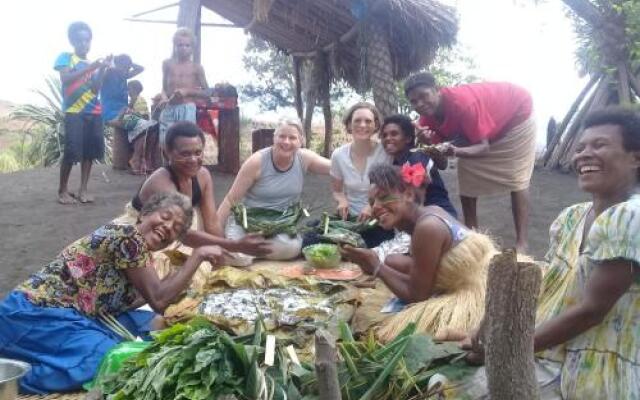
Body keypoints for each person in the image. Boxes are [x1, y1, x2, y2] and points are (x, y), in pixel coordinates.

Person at [450, 106, 640, 399]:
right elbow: (547, 287)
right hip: (550, 352)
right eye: (580, 148)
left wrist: (504, 350)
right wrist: (489, 328)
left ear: (635, 158)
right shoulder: (572, 217)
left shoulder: (631, 217)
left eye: (599, 145)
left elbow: (591, 312)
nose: (583, 155)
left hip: (594, 369)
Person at [0, 192, 226, 394]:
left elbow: (146, 300)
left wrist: (174, 282)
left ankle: (45, 357)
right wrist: (197, 256)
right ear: (144, 214)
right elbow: (159, 299)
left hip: (69, 317)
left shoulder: (141, 257)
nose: (168, 227)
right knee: (105, 357)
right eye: (165, 217)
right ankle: (18, 377)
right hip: (32, 313)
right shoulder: (128, 237)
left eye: (176, 228)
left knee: (155, 324)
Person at [341, 163, 496, 342]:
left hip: (477, 293)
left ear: (408, 194)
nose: (375, 207)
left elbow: (417, 297)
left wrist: (376, 267)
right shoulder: (428, 214)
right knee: (393, 261)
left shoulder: (427, 227)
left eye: (384, 198)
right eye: (371, 202)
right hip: (467, 278)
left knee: (383, 333)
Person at [404, 72, 536, 252]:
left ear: (437, 90)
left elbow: (483, 148)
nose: (420, 104)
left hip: (515, 116)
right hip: (481, 133)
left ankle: (522, 243)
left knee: (516, 178)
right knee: (466, 182)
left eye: (423, 96)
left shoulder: (463, 104)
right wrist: (428, 143)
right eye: (413, 101)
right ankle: (473, 237)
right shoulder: (426, 120)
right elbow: (442, 163)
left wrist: (456, 151)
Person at [124, 121, 270, 258]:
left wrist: (226, 251)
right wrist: (235, 245)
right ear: (166, 153)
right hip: (146, 235)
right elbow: (184, 234)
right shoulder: (161, 182)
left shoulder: (203, 176)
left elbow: (211, 222)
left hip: (177, 232)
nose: (193, 160)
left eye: (198, 153)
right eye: (185, 154)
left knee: (217, 258)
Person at [217, 119, 330, 258]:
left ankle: (253, 252)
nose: (286, 142)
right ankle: (246, 251)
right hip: (248, 222)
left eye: (292, 138)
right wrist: (216, 234)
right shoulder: (257, 161)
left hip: (279, 225)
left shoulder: (304, 158)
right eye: (282, 136)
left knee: (292, 248)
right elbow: (231, 199)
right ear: (274, 138)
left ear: (301, 141)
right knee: (238, 257)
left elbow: (335, 167)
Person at [54, 21, 111, 204]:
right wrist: (91, 68)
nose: (83, 44)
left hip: (93, 111)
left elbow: (95, 89)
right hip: (74, 111)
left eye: (87, 40)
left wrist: (101, 69)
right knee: (72, 150)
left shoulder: (92, 64)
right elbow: (65, 79)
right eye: (79, 40)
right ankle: (63, 190)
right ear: (72, 41)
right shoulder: (66, 58)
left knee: (89, 152)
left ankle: (83, 190)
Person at [330, 102, 393, 247]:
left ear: (376, 125)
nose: (362, 125)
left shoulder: (386, 153)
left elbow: (392, 191)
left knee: (371, 248)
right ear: (349, 125)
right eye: (357, 121)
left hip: (379, 219)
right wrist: (342, 201)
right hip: (350, 221)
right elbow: (337, 190)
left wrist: (372, 205)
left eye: (368, 121)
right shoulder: (338, 155)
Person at [380, 114, 457, 217]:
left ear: (408, 138)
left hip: (439, 217)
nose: (388, 138)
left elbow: (414, 188)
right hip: (420, 217)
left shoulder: (417, 157)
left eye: (394, 134)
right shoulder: (396, 162)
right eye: (384, 135)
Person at [158, 28, 210, 151]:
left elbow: (207, 92)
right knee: (165, 141)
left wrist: (187, 91)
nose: (183, 48)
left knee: (186, 142)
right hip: (169, 108)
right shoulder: (167, 64)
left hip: (187, 108)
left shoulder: (197, 68)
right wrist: (164, 98)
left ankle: (185, 169)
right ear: (174, 46)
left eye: (187, 45)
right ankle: (168, 169)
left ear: (192, 48)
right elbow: (164, 88)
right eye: (180, 45)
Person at [121, 80, 158, 174]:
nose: (128, 92)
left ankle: (143, 159)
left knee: (150, 131)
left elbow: (144, 116)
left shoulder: (139, 100)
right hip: (137, 124)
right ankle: (136, 159)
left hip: (140, 123)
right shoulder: (132, 101)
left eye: (129, 89)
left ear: (134, 89)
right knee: (146, 131)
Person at [100, 54, 144, 126]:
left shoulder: (124, 76)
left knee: (143, 122)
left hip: (123, 113)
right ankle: (109, 123)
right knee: (138, 123)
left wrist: (129, 63)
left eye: (128, 68)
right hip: (109, 113)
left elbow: (141, 69)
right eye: (124, 67)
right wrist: (111, 62)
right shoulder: (108, 73)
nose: (126, 70)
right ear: (116, 65)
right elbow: (98, 78)